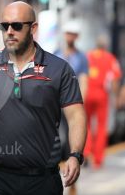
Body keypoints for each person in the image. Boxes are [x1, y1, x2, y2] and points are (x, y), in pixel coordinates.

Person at [0, 1, 87, 195]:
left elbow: (76, 115)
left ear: (33, 28)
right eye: (4, 26)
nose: (9, 31)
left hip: (42, 181)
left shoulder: (59, 69)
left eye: (17, 26)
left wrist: (75, 155)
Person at [54, 20, 89, 195]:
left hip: (70, 104)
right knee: (53, 139)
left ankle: (72, 179)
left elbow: (84, 80)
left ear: (77, 37)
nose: (70, 36)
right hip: (54, 104)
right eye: (68, 33)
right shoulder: (56, 53)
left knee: (70, 142)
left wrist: (80, 104)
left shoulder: (81, 58)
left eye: (73, 34)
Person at [84, 35, 122, 169]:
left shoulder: (87, 56)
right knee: (101, 127)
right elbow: (115, 79)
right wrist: (116, 97)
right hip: (102, 96)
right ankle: (98, 160)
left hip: (88, 94)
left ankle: (86, 152)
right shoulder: (110, 58)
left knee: (86, 124)